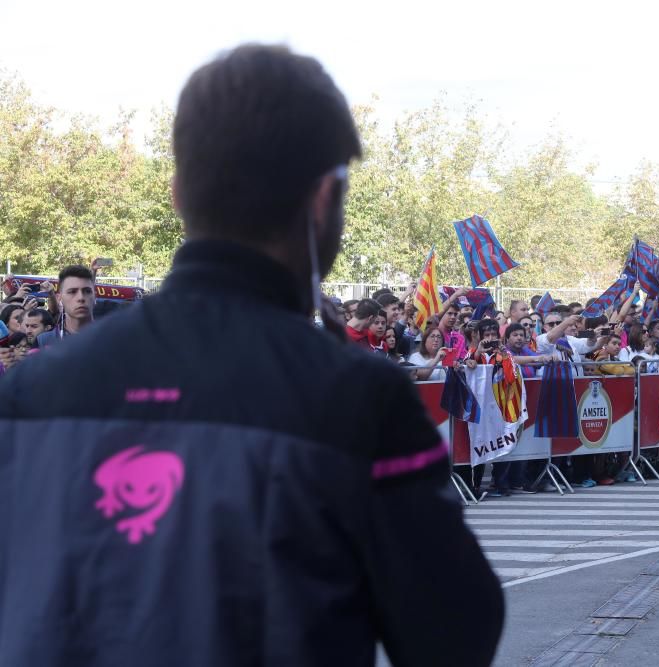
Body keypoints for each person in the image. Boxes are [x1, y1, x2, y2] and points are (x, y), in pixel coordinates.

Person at [0, 44, 503, 666]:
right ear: (324, 200)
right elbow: (455, 635)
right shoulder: (356, 398)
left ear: (180, 192)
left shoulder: (27, 394)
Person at [36, 265, 96, 347]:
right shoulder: (43, 341)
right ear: (60, 298)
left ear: (94, 296)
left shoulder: (113, 339)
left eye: (87, 291)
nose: (81, 298)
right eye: (72, 292)